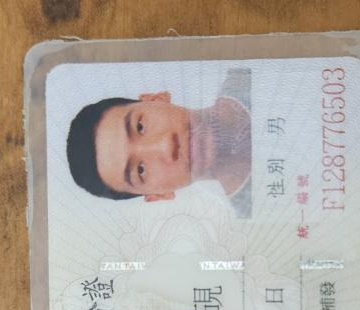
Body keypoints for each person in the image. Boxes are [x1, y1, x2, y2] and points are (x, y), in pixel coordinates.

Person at [66, 69, 252, 214]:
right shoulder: (253, 218)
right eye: (140, 170)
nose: (166, 146)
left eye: (140, 127)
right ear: (158, 195)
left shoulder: (248, 73)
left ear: (156, 99)